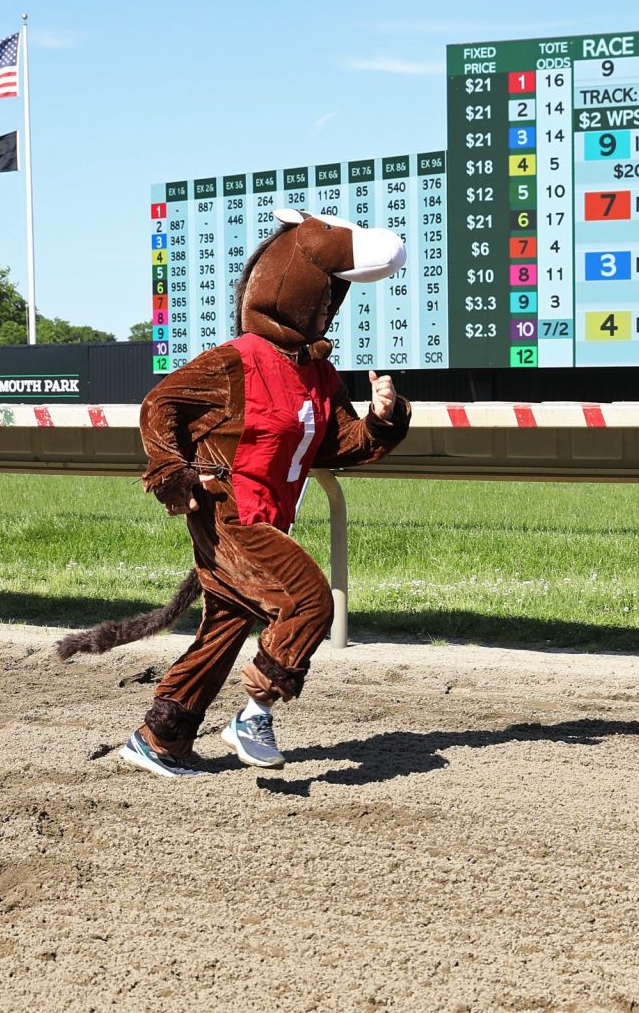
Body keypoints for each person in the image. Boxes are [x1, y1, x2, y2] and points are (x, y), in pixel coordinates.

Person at [58, 210, 412, 777]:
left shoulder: (320, 375)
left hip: (269, 521)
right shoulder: (235, 360)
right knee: (310, 603)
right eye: (322, 294)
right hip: (229, 516)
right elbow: (160, 405)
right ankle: (255, 713)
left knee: (224, 627)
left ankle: (162, 736)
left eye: (334, 299)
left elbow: (340, 446)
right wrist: (171, 471)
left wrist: (383, 420)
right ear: (288, 286)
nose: (328, 307)